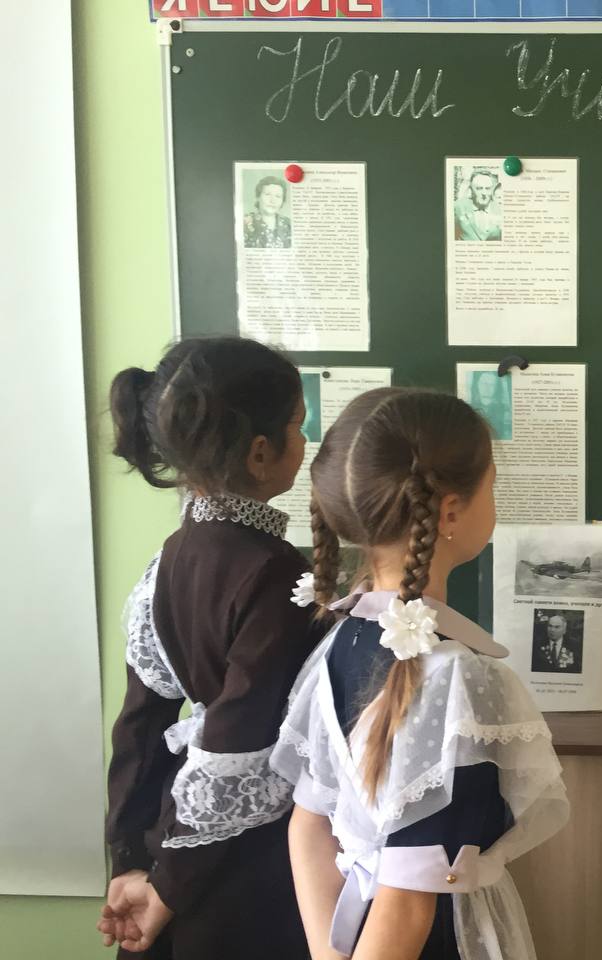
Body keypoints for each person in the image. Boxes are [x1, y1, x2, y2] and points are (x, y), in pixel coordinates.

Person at [271, 387, 567, 960]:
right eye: (492, 485)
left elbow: (308, 827)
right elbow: (406, 905)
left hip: (356, 934)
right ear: (450, 512)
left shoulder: (341, 638)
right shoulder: (457, 679)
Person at [98, 337, 324, 959]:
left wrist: (130, 857)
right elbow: (237, 741)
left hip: (173, 839)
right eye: (298, 426)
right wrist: (170, 886)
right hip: (242, 867)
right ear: (260, 452)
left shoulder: (170, 556)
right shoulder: (276, 572)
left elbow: (139, 725)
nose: (305, 441)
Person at [243, 175, 293, 249]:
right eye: (267, 194)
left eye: (278, 196)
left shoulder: (289, 224)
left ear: (282, 201)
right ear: (258, 197)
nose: (272, 200)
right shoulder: (244, 223)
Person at [454, 169, 502, 242]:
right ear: (471, 190)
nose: (484, 193)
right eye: (479, 188)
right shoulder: (459, 207)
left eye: (487, 188)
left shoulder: (500, 209)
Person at [468, 371, 512, 440]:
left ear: (496, 388)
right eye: (484, 384)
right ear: (477, 385)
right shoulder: (469, 409)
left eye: (491, 385)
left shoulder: (504, 412)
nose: (487, 389)